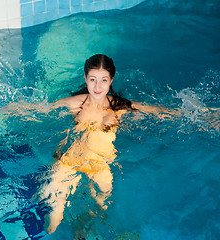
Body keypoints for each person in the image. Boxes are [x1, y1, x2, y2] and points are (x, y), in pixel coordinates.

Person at [37, 54, 176, 234]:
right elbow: (37, 108)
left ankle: (79, 230)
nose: (97, 86)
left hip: (100, 165)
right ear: (85, 78)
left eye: (103, 80)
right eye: (93, 80)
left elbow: (159, 111)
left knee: (101, 206)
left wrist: (209, 116)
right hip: (69, 162)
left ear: (111, 80)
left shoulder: (119, 106)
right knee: (54, 219)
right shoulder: (76, 104)